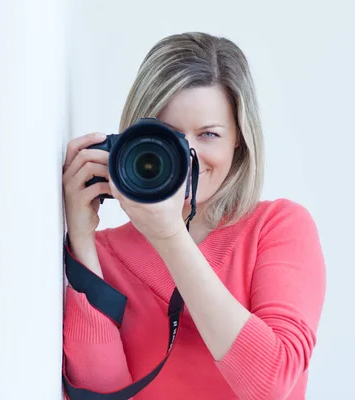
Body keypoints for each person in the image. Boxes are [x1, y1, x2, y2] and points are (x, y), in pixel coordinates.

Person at [61, 32, 326, 400]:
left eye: (208, 135)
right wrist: (82, 239)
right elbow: (98, 393)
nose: (188, 157)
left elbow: (272, 383)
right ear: (133, 139)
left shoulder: (278, 228)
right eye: (168, 136)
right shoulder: (103, 256)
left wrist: (170, 237)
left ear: (239, 138)